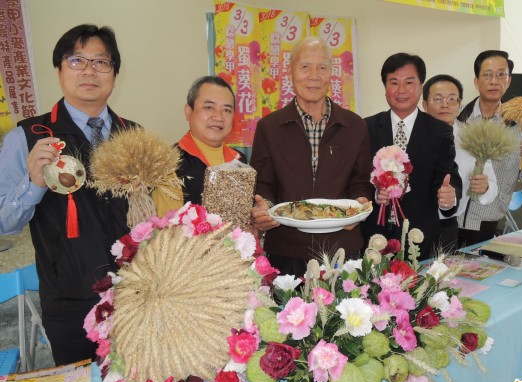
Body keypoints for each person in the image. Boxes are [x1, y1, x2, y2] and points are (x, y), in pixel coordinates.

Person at [0, 24, 139, 366]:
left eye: (101, 62)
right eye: (77, 60)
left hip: (135, 297)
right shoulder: (27, 137)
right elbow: (5, 223)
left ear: (114, 74)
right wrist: (34, 181)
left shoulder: (133, 135)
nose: (90, 70)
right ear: (59, 70)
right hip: (69, 303)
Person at [250, 37, 372, 277]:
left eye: (322, 68)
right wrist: (265, 208)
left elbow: (361, 181)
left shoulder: (355, 126)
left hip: (342, 248)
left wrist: (359, 206)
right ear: (290, 71)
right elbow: (265, 184)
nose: (314, 75)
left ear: (331, 75)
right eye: (305, 66)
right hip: (286, 250)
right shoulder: (269, 127)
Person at [361, 53, 462, 260]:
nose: (401, 90)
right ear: (385, 87)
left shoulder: (439, 131)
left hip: (419, 236)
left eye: (409, 82)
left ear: (421, 86)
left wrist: (450, 197)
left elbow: (448, 175)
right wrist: (373, 193)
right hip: (373, 236)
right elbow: (357, 176)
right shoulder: (366, 127)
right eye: (394, 82)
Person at [457, 50, 522, 246]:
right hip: (450, 215)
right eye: (487, 75)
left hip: (489, 219)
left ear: (509, 80)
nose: (494, 81)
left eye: (501, 74)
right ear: (476, 81)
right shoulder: (458, 119)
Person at [422, 74, 498, 251]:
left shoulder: (474, 137)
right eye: (438, 99)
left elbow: (493, 188)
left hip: (450, 226)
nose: (445, 105)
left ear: (459, 104)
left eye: (452, 99)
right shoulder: (412, 136)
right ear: (425, 105)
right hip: (415, 223)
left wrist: (484, 187)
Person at [152, 76, 246, 216]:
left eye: (227, 110)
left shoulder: (240, 161)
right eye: (209, 107)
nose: (219, 117)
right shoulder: (169, 163)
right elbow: (169, 230)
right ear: (188, 112)